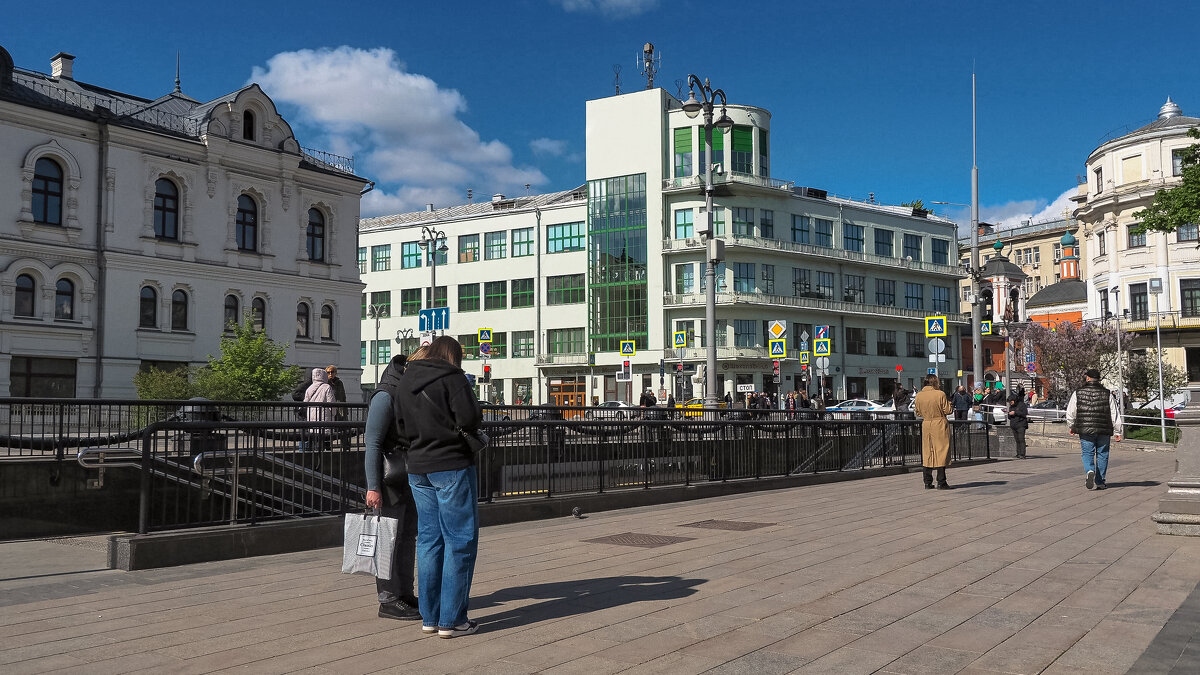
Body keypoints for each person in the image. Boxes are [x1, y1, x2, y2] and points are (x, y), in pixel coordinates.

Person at [395, 336, 484, 638]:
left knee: (429, 541)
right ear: (453, 356)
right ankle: (453, 620)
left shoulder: (407, 379)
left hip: (417, 468)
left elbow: (401, 427)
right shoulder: (452, 377)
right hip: (451, 465)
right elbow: (471, 418)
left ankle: (430, 617)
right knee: (459, 541)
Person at [363, 354, 421, 621]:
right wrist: (373, 487)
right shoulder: (385, 396)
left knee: (407, 537)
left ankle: (405, 593)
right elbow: (373, 443)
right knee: (387, 539)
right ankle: (387, 599)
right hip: (389, 480)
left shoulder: (406, 393)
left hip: (407, 476)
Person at [1065, 368, 1124, 490]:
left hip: (1085, 429)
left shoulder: (1078, 392)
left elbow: (1070, 412)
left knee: (1087, 452)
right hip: (1103, 429)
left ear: (1087, 378)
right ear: (1098, 379)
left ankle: (1090, 470)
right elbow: (1114, 413)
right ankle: (1100, 481)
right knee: (1103, 454)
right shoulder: (1107, 393)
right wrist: (1118, 431)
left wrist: (1071, 426)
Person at [913, 374, 954, 490]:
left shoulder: (919, 395)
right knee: (941, 451)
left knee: (928, 452)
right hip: (939, 423)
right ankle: (941, 482)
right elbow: (947, 410)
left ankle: (927, 481)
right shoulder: (940, 394)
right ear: (935, 382)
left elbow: (918, 412)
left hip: (926, 424)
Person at [303, 367, 335, 458]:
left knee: (314, 435)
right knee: (324, 437)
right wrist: (334, 413)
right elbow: (331, 402)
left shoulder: (309, 388)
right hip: (324, 415)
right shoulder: (327, 387)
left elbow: (305, 402)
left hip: (312, 416)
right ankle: (325, 455)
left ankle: (314, 454)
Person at [1007, 391, 1029, 459]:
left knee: (1021, 439)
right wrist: (1009, 414)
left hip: (1021, 424)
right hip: (1014, 425)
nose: (1010, 403)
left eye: (1011, 401)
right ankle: (1018, 453)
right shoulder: (1011, 407)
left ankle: (1022, 454)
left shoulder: (1022, 405)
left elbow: (1024, 414)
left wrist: (1015, 412)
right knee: (1017, 440)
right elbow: (1009, 417)